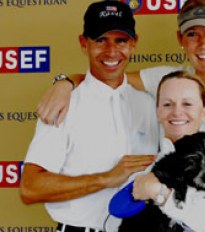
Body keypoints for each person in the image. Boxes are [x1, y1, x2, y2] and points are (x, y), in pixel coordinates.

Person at [36, 0, 205, 213]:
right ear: (180, 38)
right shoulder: (168, 80)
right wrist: (66, 83)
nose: (202, 43)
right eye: (192, 34)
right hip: (167, 217)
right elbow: (107, 75)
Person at [20, 1, 159, 232]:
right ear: (84, 43)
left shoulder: (150, 105)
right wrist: (106, 178)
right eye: (101, 39)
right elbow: (30, 188)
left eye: (121, 40)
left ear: (134, 44)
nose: (111, 51)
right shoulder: (63, 104)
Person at [128, 70, 205, 231]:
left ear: (204, 112)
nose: (177, 112)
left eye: (187, 104)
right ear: (157, 111)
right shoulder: (150, 168)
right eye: (167, 104)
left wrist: (161, 194)